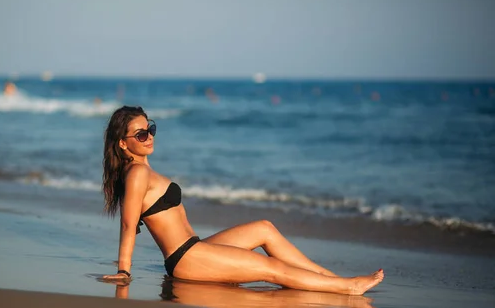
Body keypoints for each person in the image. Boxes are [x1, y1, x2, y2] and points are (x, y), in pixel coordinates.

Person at [101, 106, 384, 295]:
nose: (149, 136)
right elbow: (128, 224)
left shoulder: (142, 170)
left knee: (264, 228)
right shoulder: (137, 173)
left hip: (195, 249)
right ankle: (347, 288)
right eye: (140, 134)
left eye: (150, 128)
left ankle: (330, 277)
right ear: (124, 143)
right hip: (186, 259)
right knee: (271, 269)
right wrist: (124, 271)